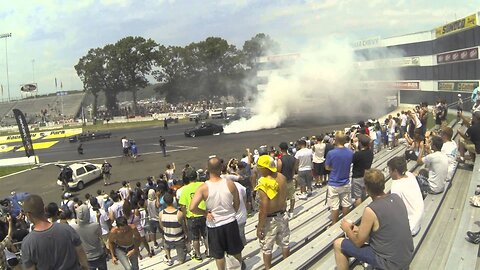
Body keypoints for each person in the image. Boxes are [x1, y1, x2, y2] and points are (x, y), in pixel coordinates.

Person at [333, 169, 414, 270]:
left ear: (366, 188)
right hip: (406, 256)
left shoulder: (371, 210)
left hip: (389, 263)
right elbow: (384, 229)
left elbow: (358, 243)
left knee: (338, 244)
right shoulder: (396, 197)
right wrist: (358, 230)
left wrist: (347, 229)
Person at [190, 157, 245, 270]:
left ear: (207, 169)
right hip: (230, 222)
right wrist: (231, 211)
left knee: (219, 255)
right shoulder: (230, 183)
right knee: (235, 251)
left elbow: (192, 207)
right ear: (220, 168)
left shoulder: (203, 187)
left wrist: (205, 213)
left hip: (214, 225)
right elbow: (237, 202)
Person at [20, 194, 89, 270]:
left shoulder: (27, 243)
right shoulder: (67, 229)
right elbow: (83, 261)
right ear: (44, 208)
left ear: (28, 215)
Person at [255, 155, 290, 269]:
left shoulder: (263, 183)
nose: (258, 169)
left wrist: (259, 227)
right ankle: (288, 264)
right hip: (283, 214)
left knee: (267, 248)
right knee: (285, 243)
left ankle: (268, 268)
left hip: (270, 219)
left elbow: (263, 209)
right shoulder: (282, 177)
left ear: (265, 168)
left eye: (259, 167)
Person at [388, 156, 424, 236]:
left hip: (411, 227)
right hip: (418, 218)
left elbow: (395, 212)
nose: (389, 173)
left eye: (390, 170)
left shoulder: (396, 186)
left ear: (395, 171)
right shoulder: (410, 175)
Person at [178, 170, 209, 262]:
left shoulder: (185, 189)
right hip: (203, 213)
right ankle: (209, 251)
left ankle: (198, 254)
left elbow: (183, 206)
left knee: (195, 238)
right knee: (205, 235)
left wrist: (185, 216)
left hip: (192, 216)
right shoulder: (203, 184)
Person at [325, 131, 354, 225]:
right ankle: (345, 223)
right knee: (346, 203)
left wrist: (334, 168)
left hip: (334, 182)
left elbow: (327, 167)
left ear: (336, 140)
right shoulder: (350, 152)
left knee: (335, 205)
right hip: (345, 181)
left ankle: (334, 223)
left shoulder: (331, 153)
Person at [71, 204, 107, 270]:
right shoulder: (95, 226)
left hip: (86, 257)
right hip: (99, 254)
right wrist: (98, 219)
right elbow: (100, 234)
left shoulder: (74, 228)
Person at [159, 192, 187, 266]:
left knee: (166, 244)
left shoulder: (161, 213)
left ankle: (169, 258)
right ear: (173, 200)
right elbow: (184, 227)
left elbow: (161, 226)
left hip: (167, 238)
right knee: (181, 261)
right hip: (179, 239)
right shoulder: (179, 213)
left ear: (164, 202)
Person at [351, 134, 374, 207]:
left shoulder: (358, 154)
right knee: (363, 194)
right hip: (366, 175)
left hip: (357, 177)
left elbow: (352, 160)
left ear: (360, 143)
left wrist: (355, 150)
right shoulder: (370, 152)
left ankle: (358, 212)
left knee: (358, 197)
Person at [277, 142, 296, 216]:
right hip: (290, 179)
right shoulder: (293, 158)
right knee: (292, 196)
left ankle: (284, 210)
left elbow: (278, 172)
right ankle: (291, 210)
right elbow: (294, 170)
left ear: (280, 149)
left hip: (283, 182)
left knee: (283, 198)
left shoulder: (280, 160)